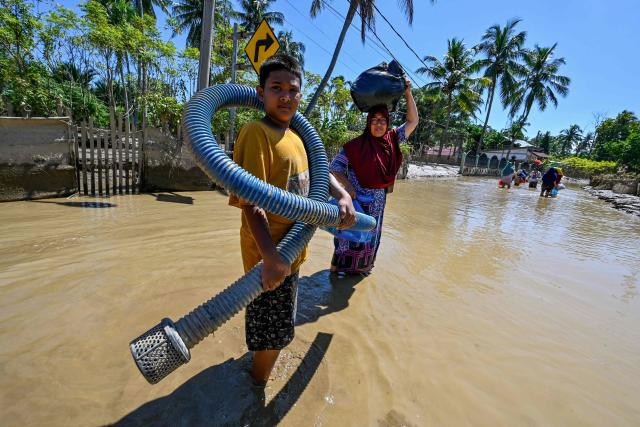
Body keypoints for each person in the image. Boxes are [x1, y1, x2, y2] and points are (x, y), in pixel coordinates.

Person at [228, 54, 356, 386]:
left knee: (277, 324)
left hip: (292, 253)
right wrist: (270, 257)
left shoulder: (298, 137)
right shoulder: (256, 133)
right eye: (276, 88)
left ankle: (256, 373)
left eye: (292, 89)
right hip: (267, 256)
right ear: (260, 93)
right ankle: (255, 392)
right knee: (271, 334)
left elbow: (318, 173)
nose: (285, 96)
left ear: (300, 95)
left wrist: (342, 195)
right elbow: (251, 204)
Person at [329, 77, 418, 275]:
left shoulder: (393, 139)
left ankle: (363, 270)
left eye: (383, 121)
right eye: (374, 121)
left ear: (388, 123)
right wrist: (347, 188)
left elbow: (413, 121)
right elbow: (334, 168)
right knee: (347, 236)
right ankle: (336, 272)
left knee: (371, 237)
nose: (379, 125)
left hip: (378, 203)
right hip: (355, 201)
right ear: (369, 123)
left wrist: (408, 92)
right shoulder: (354, 146)